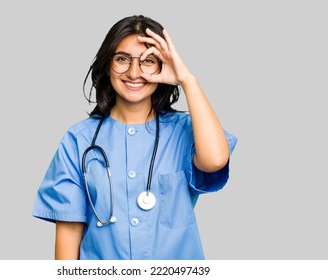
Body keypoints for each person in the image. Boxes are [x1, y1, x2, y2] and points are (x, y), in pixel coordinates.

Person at [32, 15, 237, 260]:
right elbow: (68, 235)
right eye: (122, 59)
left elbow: (215, 160)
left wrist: (186, 79)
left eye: (148, 61)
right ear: (107, 65)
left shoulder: (185, 131)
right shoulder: (78, 139)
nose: (134, 72)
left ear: (163, 65)